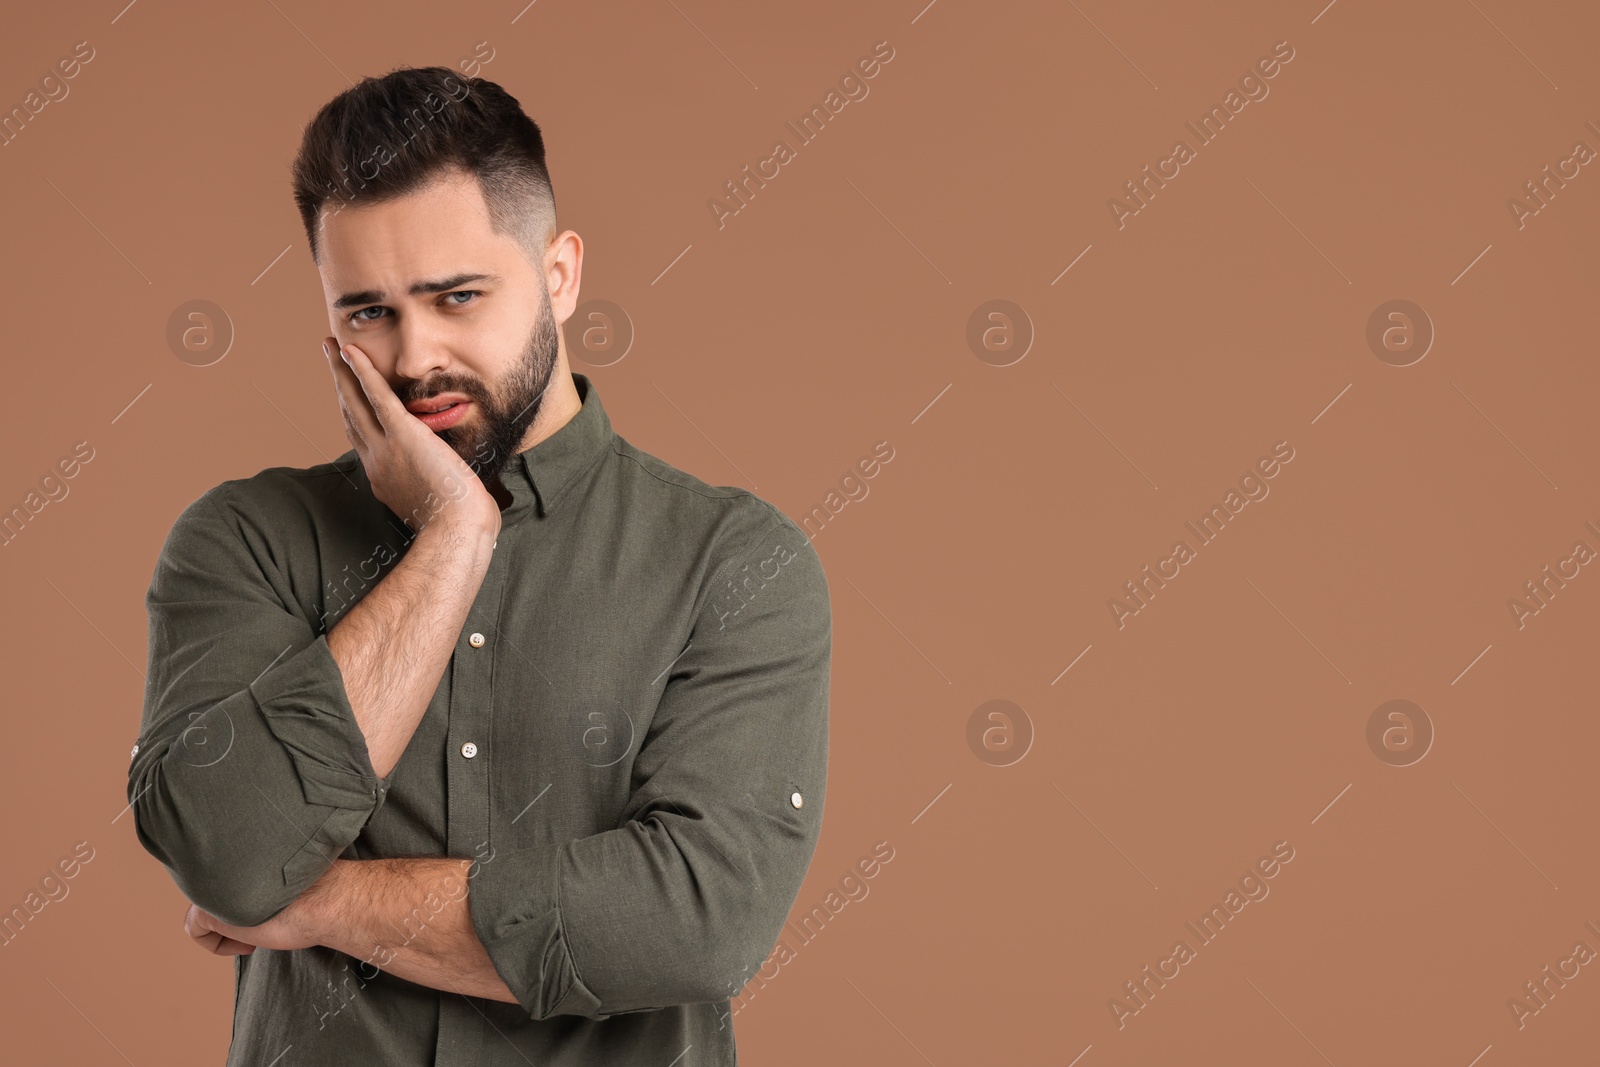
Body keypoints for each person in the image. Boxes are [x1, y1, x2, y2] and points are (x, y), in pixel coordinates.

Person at [128, 64, 831, 1066]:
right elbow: (232, 853)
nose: (415, 357)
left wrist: (321, 899)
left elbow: (696, 920)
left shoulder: (733, 562)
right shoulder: (247, 539)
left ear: (559, 275)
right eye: (365, 311)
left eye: (456, 296)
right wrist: (454, 537)